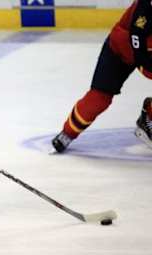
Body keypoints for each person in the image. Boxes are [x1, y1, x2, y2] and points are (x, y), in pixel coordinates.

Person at [52, 0, 152, 153]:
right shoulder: (146, 6)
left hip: (143, 52)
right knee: (98, 99)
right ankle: (67, 133)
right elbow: (137, 40)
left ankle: (148, 116)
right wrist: (145, 64)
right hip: (119, 49)